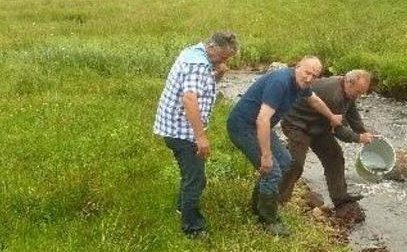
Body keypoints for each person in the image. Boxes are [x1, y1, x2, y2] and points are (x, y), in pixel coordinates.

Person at [227, 56, 343, 236]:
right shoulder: (280, 82)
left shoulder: (301, 84)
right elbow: (263, 119)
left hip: (258, 126)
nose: (309, 78)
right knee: (271, 170)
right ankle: (268, 220)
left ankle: (257, 206)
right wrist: (265, 155)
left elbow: (315, 100)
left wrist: (331, 117)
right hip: (244, 126)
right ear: (297, 67)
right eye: (307, 72)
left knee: (285, 161)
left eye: (315, 75)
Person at [153, 31, 238, 239]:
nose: (224, 61)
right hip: (182, 131)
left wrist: (218, 74)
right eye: (223, 57)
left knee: (190, 173)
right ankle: (192, 227)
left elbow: (199, 86)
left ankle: (182, 208)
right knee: (196, 179)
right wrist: (200, 137)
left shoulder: (194, 52)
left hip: (171, 126)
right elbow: (190, 98)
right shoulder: (198, 65)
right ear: (211, 47)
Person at [279, 70, 374, 214]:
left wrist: (361, 130)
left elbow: (351, 111)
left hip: (317, 124)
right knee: (296, 163)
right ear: (349, 82)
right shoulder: (334, 95)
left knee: (334, 156)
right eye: (358, 92)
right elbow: (338, 130)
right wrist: (358, 138)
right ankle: (278, 201)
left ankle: (340, 198)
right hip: (297, 124)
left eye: (362, 93)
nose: (359, 96)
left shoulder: (347, 89)